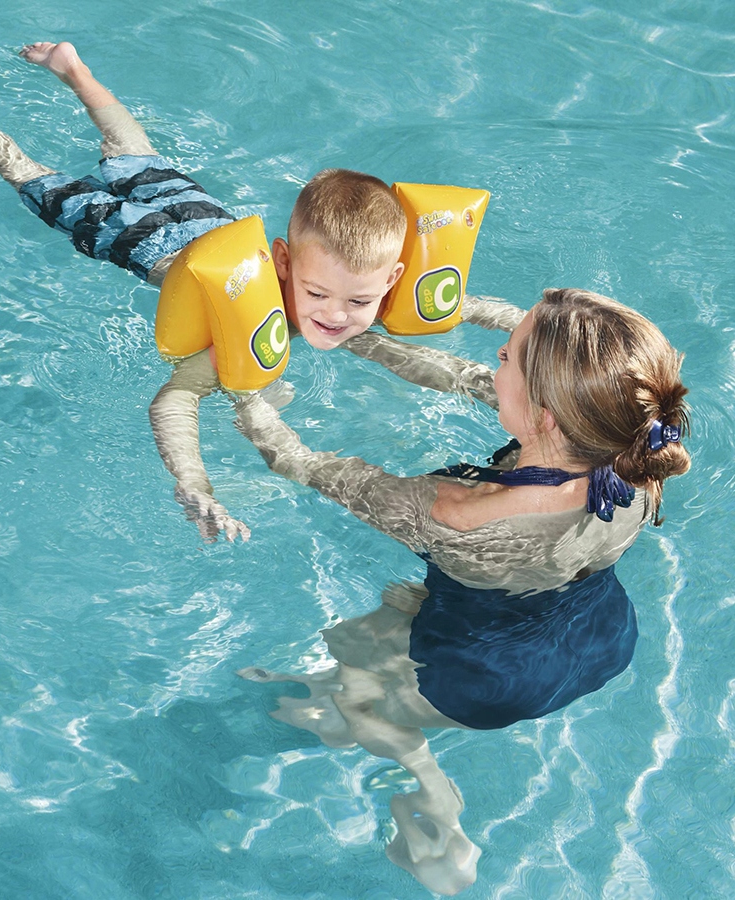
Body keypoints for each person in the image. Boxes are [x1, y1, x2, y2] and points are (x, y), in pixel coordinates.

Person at [0, 42, 523, 542]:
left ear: (392, 279)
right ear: (281, 261)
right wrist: (194, 484)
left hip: (206, 221)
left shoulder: (362, 290)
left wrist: (529, 321)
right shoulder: (248, 321)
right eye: (316, 294)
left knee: (136, 155)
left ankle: (73, 69)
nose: (337, 315)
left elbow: (471, 306)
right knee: (36, 181)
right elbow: (172, 402)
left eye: (360, 302)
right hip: (136, 242)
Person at [234, 287, 690, 894]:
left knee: (352, 683)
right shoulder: (630, 450)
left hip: (481, 677)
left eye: (506, 356)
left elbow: (300, 464)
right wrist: (358, 334)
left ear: (544, 414)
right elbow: (466, 377)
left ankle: (431, 788)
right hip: (602, 633)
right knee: (400, 613)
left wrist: (245, 389)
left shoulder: (457, 512)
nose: (493, 358)